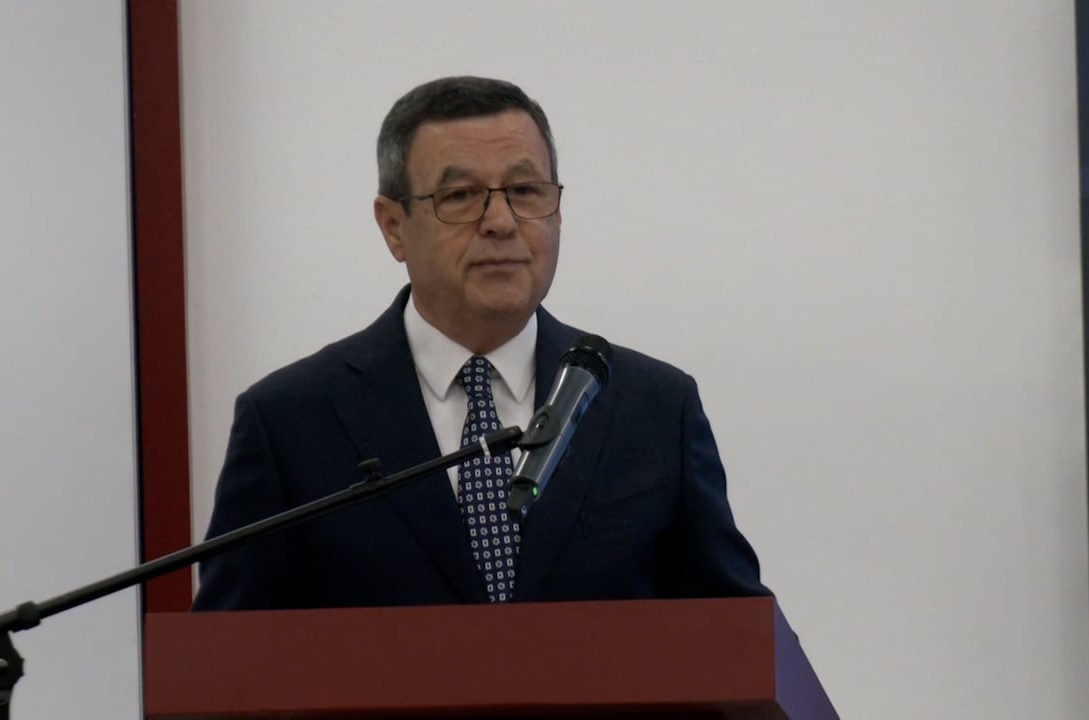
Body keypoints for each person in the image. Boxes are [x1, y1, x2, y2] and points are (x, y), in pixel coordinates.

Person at [193, 76, 768, 610]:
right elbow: (229, 662)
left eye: (525, 190)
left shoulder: (654, 409)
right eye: (462, 196)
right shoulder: (289, 423)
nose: (501, 221)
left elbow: (740, 640)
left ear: (558, 211)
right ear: (393, 226)